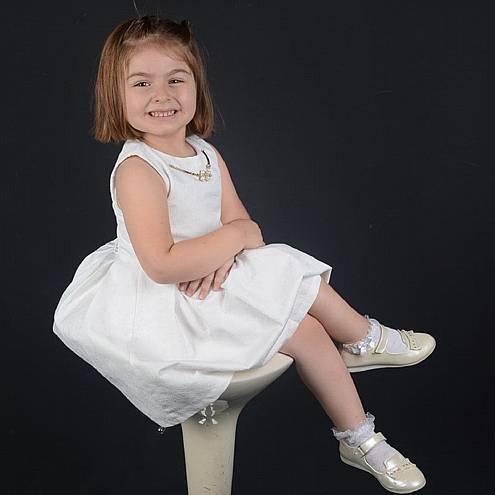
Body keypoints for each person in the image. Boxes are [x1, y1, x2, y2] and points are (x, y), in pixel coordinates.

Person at [52, 14, 436, 494]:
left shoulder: (205, 154)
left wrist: (230, 243)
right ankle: (363, 338)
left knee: (305, 322)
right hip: (171, 302)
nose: (162, 95)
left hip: (214, 278)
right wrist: (233, 240)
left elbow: (248, 229)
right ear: (116, 94)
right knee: (288, 267)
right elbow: (164, 264)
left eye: (176, 79)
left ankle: (359, 437)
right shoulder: (139, 169)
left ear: (197, 86)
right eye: (142, 83)